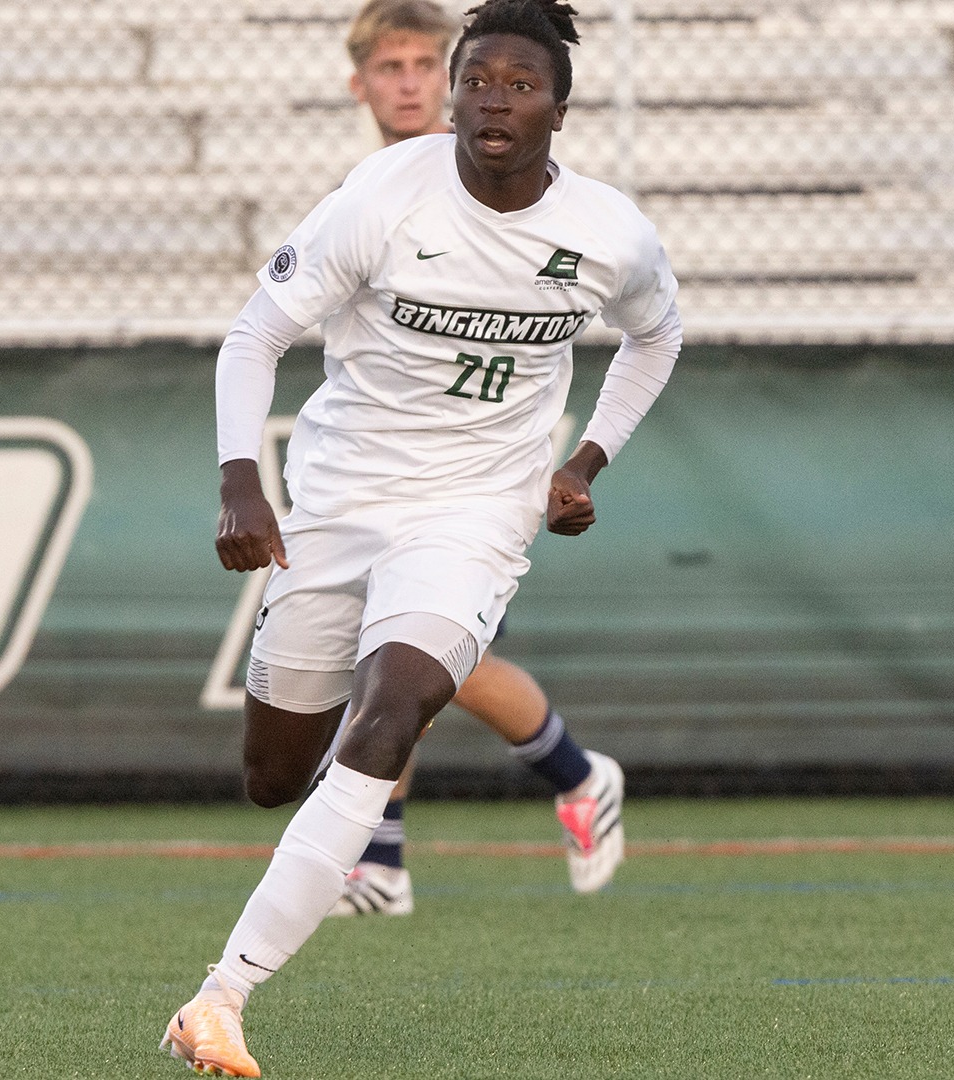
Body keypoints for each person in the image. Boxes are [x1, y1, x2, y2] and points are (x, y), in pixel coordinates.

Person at [161, 2, 682, 1072]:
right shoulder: (381, 199)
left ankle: (221, 997)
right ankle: (555, 779)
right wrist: (238, 485)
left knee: (395, 703)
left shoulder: (611, 233)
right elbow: (257, 331)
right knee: (272, 774)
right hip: (341, 501)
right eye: (476, 78)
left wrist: (583, 463)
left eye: (520, 83)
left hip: (477, 513)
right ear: (453, 95)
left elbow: (657, 335)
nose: (495, 98)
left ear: (562, 109)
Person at [324, 0, 629, 918]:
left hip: (478, 461)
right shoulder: (378, 184)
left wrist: (562, 452)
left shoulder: (500, 172)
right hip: (392, 455)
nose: (412, 83)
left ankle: (567, 779)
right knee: (396, 654)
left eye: (426, 64)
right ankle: (388, 853)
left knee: (421, 652)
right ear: (361, 83)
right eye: (393, 68)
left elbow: (557, 305)